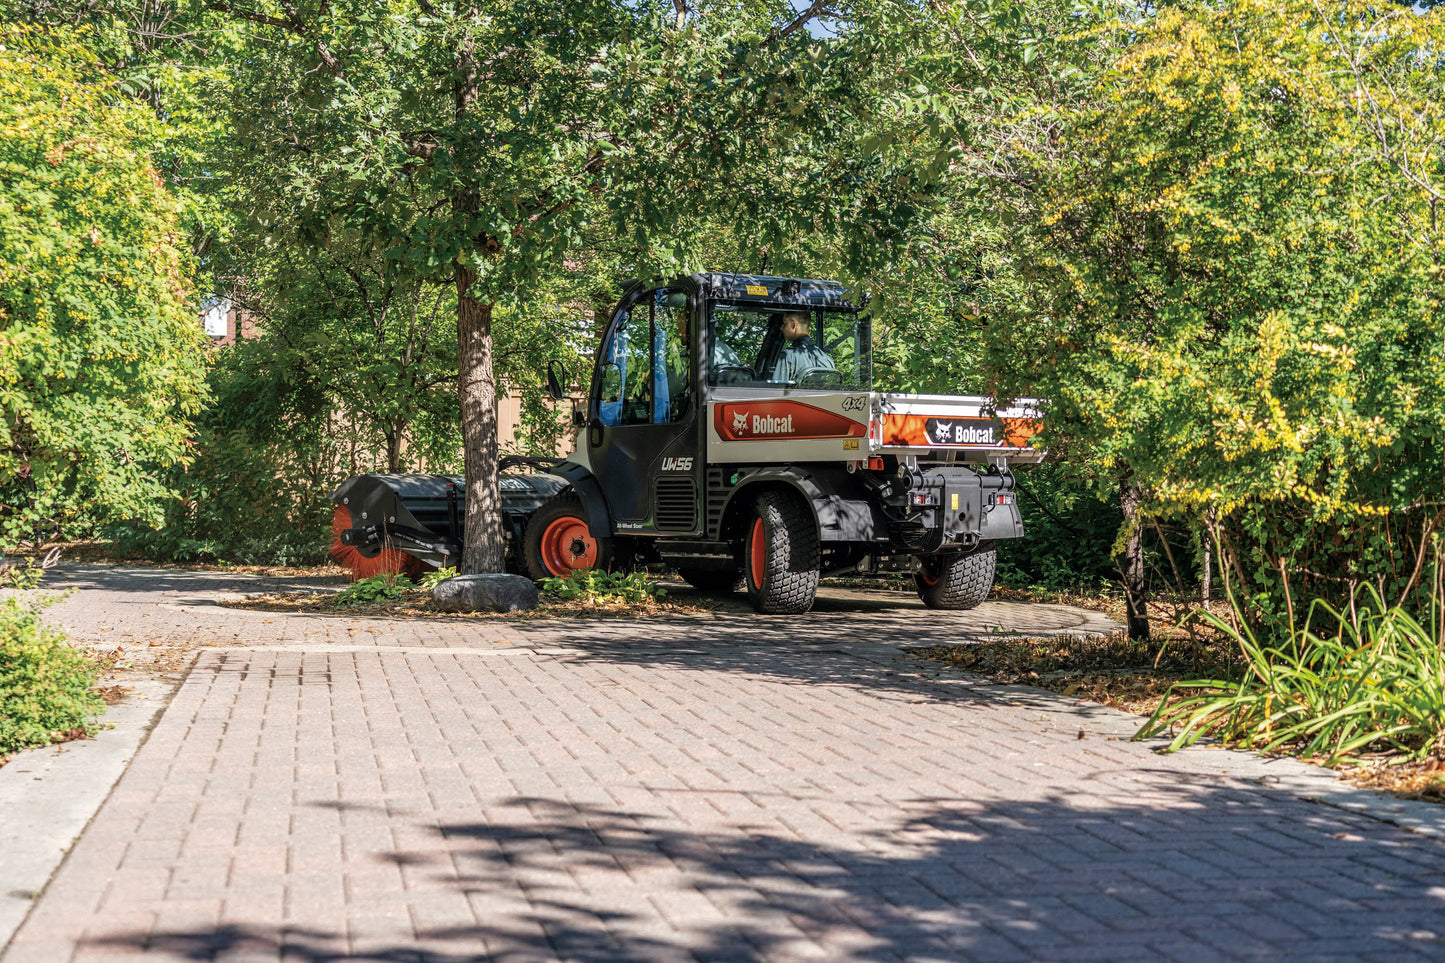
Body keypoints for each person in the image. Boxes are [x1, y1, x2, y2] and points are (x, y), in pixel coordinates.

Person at [769, 311, 834, 383]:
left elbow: (777, 391)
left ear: (793, 325)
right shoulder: (827, 359)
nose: (781, 328)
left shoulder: (787, 356)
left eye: (785, 323)